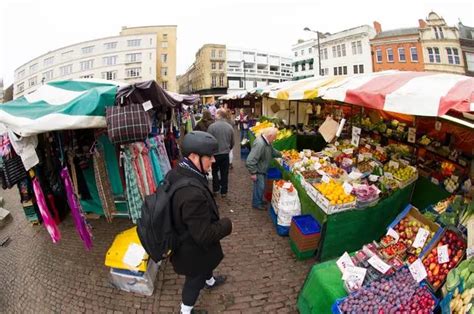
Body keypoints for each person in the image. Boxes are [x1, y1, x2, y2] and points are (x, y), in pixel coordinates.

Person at [166, 131, 233, 314]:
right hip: (192, 247)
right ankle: (185, 310)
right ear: (194, 156)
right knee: (194, 280)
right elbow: (204, 235)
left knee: (207, 263)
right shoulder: (191, 194)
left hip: (191, 238)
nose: (213, 160)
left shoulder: (180, 170)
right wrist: (226, 224)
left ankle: (210, 281)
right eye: (209, 156)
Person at [245, 127, 282, 210]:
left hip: (263, 169)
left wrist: (281, 154)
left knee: (260, 187)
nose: (275, 139)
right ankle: (256, 204)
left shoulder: (267, 142)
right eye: (274, 137)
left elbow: (272, 151)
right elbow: (250, 160)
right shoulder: (260, 144)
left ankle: (259, 200)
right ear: (270, 135)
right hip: (258, 170)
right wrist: (253, 172)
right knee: (259, 187)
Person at [207, 109, 234, 197]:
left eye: (215, 114)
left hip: (215, 154)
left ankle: (216, 189)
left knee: (214, 172)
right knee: (224, 173)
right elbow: (232, 141)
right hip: (225, 153)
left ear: (218, 115)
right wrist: (228, 148)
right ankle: (224, 191)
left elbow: (208, 140)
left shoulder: (212, 127)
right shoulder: (229, 127)